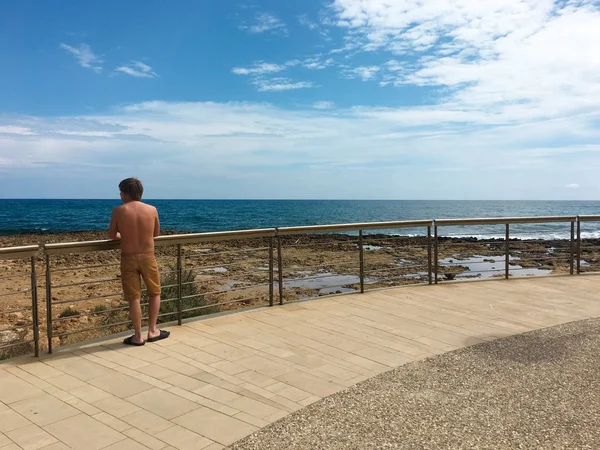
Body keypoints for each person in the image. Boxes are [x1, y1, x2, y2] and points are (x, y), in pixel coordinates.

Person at [109, 177, 170, 346]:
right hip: (147, 255)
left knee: (134, 297)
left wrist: (125, 236)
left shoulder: (118, 211)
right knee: (154, 292)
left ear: (127, 193)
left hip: (128, 256)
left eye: (121, 191)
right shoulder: (152, 210)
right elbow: (155, 233)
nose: (120, 194)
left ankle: (137, 336)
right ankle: (152, 330)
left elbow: (112, 235)